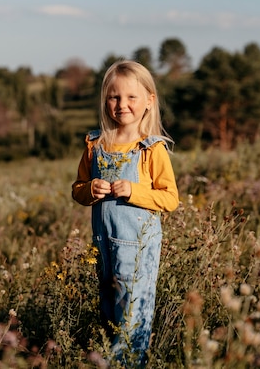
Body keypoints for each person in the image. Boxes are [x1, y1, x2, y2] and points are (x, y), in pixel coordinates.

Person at [71, 60, 179, 366]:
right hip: (103, 248)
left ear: (149, 101)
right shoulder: (95, 144)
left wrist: (134, 191)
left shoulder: (150, 149)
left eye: (132, 97)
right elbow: (77, 188)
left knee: (131, 320)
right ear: (105, 100)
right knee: (109, 316)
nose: (122, 105)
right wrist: (89, 189)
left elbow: (170, 198)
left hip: (138, 250)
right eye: (114, 97)